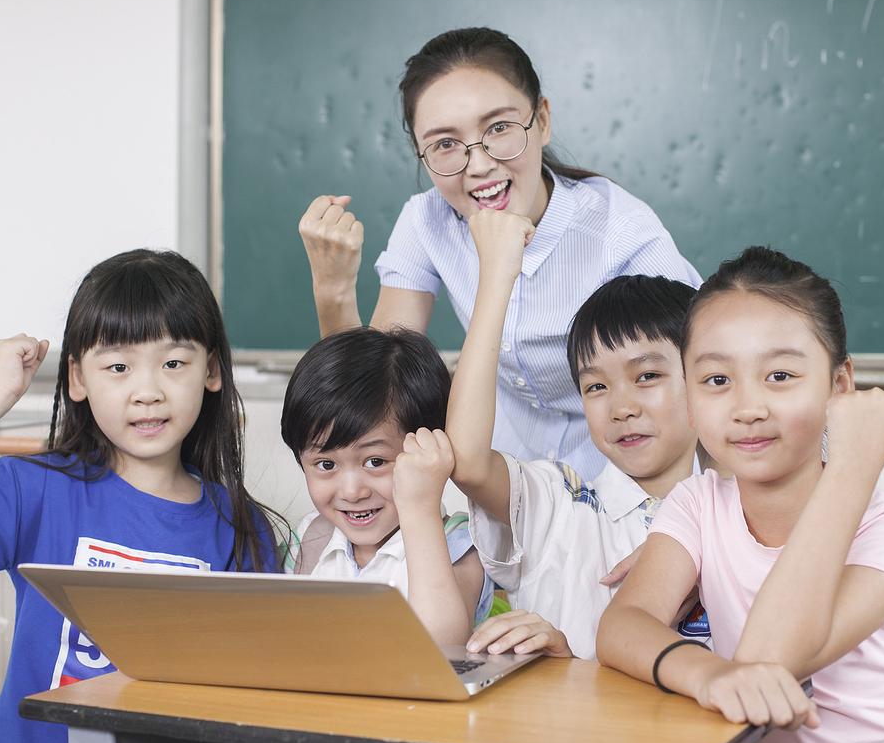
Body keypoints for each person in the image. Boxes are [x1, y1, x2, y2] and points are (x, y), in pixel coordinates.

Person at [0, 249, 282, 743]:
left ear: (212, 371)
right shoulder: (38, 489)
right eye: (118, 367)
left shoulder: (241, 527)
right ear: (78, 380)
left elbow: (251, 700)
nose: (147, 391)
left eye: (174, 363)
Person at [596, 246, 884, 743]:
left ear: (838, 385)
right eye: (716, 380)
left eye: (780, 376)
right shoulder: (699, 503)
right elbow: (623, 626)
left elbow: (767, 660)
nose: (748, 408)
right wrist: (708, 675)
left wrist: (853, 465)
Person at [299, 26, 699, 477]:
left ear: (542, 120)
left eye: (500, 128)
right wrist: (333, 289)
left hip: (627, 478)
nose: (480, 164)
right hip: (506, 481)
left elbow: (700, 382)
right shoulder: (426, 219)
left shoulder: (620, 230)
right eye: (445, 144)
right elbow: (376, 401)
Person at [444, 207, 704, 659]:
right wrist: (497, 279)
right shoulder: (558, 503)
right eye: (596, 386)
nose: (622, 408)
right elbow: (466, 461)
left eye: (646, 377)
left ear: (704, 379)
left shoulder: (743, 516)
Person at [281, 327, 493, 643]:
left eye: (376, 461)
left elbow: (442, 645)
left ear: (427, 449)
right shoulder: (309, 539)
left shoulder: (459, 543)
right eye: (326, 465)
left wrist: (420, 508)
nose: (352, 491)